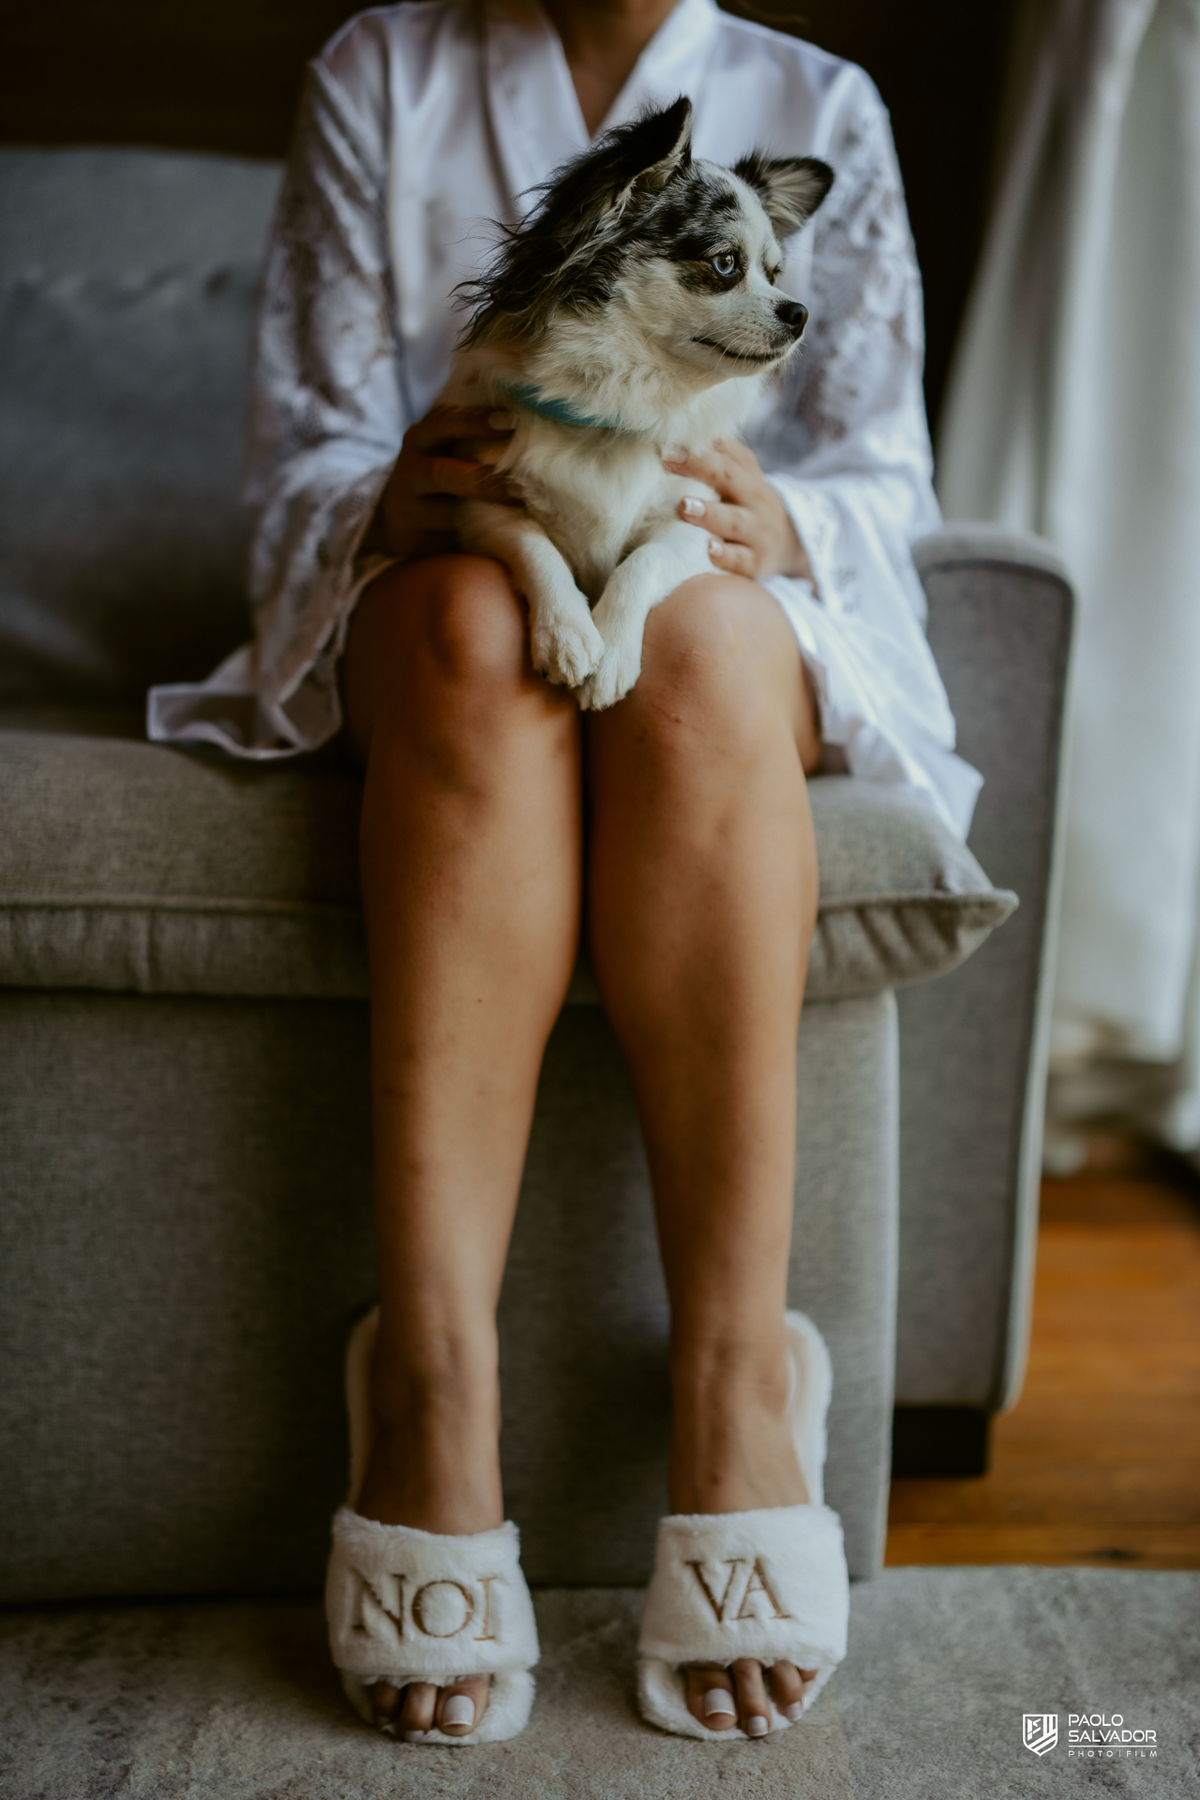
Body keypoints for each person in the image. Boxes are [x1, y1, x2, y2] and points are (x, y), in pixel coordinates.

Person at [149, 0, 979, 1746]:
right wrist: (393, 486)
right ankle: (432, 1391)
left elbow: (881, 472)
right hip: (464, 576)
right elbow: (302, 434)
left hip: (708, 600)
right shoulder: (382, 73)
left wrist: (790, 521)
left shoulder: (820, 101)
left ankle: (741, 1380)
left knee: (693, 639)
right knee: (467, 626)